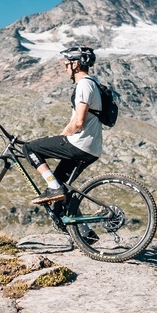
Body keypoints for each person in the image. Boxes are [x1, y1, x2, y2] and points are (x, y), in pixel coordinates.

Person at [24, 46, 103, 205]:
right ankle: (86, 230)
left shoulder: (84, 84)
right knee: (62, 197)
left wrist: (64, 136)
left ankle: (53, 187)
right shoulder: (94, 83)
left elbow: (79, 121)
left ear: (76, 64)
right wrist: (62, 136)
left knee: (29, 148)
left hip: (80, 144)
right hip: (92, 148)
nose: (65, 67)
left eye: (67, 64)